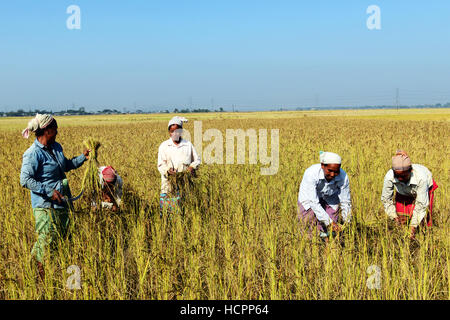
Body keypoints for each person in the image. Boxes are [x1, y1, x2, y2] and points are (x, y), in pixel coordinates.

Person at [20, 114, 90, 280]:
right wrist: (49, 191)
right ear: (46, 130)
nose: (57, 132)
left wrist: (83, 158)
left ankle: (70, 281)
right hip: (45, 207)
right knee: (46, 243)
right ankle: (37, 279)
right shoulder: (33, 154)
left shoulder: (56, 147)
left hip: (62, 205)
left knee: (66, 241)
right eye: (55, 129)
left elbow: (65, 165)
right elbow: (25, 180)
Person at [381, 150, 438, 239]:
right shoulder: (389, 176)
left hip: (424, 189)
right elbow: (386, 199)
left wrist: (413, 227)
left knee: (424, 222)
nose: (399, 179)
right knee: (401, 220)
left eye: (403, 176)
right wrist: (394, 217)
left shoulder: (421, 178)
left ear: (410, 171)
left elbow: (421, 205)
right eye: (397, 176)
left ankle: (424, 239)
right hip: (403, 192)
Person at [297, 151, 352, 239]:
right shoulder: (311, 173)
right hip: (309, 198)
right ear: (322, 165)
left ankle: (328, 248)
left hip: (330, 197)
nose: (333, 174)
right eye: (329, 171)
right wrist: (329, 222)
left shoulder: (343, 176)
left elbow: (346, 201)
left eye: (336, 171)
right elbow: (313, 202)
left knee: (331, 232)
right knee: (308, 226)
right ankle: (310, 247)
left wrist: (347, 222)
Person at [157, 116, 201, 215]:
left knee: (184, 210)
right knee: (167, 212)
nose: (175, 133)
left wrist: (192, 167)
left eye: (177, 131)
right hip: (168, 184)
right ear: (169, 132)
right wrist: (167, 171)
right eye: (172, 131)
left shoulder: (188, 145)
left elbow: (197, 160)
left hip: (185, 183)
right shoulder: (164, 146)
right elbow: (160, 165)